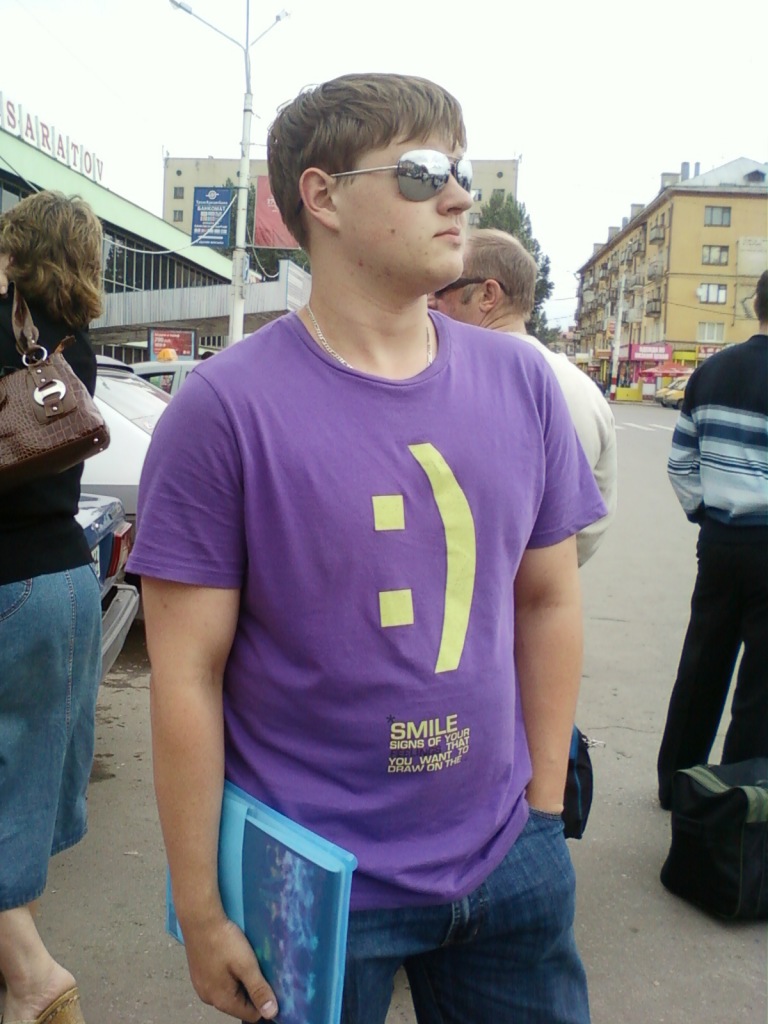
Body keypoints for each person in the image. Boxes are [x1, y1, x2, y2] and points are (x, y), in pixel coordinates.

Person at [128, 73, 606, 1024]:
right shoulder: (223, 410)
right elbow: (187, 674)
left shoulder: (523, 382)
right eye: (423, 171)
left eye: (461, 170)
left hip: (509, 862)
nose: (459, 196)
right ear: (323, 196)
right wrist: (201, 905)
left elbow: (546, 599)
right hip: (315, 886)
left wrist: (545, 813)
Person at [0, 191, 104, 1024]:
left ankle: (30, 974)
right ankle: (20, 975)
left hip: (7, 583)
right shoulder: (77, 343)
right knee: (27, 789)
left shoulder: (8, 327)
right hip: (69, 581)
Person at [433, 228, 617, 566]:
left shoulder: (479, 377)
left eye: (442, 288)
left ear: (487, 295)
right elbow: (589, 523)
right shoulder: (579, 386)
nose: (431, 301)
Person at [657, 270, 768, 809]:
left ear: (755, 304)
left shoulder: (711, 371)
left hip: (720, 540)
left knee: (702, 660)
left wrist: (706, 514)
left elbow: (680, 464)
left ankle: (674, 783)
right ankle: (734, 798)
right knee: (761, 683)